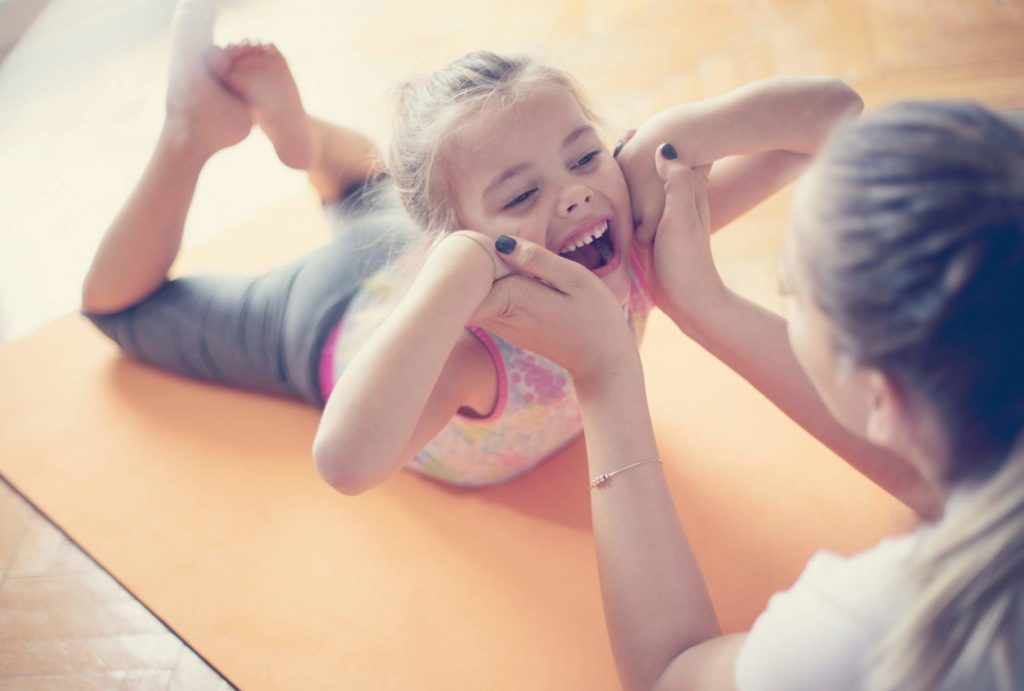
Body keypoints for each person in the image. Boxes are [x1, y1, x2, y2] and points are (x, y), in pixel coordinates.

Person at [82, 0, 931, 512]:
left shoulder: (626, 237)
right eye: (524, 195)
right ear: (457, 244)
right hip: (327, 319)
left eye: (582, 153)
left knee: (376, 191)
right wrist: (450, 284)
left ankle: (311, 147)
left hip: (424, 243)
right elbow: (344, 463)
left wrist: (675, 142)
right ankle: (190, 136)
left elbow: (830, 117)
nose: (571, 194)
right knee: (121, 310)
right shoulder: (474, 353)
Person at [486, 100, 1024, 689]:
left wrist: (603, 372)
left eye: (789, 289)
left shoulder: (882, 634)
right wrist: (702, 299)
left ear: (882, 398)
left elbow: (670, 674)